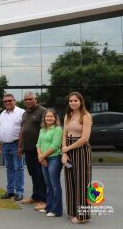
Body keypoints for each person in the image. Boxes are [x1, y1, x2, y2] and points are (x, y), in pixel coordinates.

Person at [61, 92, 92, 224]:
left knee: (82, 182)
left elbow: (85, 138)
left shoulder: (86, 116)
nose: (73, 103)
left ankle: (82, 216)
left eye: (75, 101)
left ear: (81, 102)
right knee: (70, 181)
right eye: (70, 101)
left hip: (81, 150)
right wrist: (64, 152)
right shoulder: (68, 115)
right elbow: (64, 134)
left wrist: (68, 148)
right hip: (68, 149)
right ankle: (73, 211)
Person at [20, 91, 47, 210]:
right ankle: (35, 196)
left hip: (39, 151)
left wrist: (43, 151)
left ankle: (43, 200)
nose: (28, 101)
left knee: (40, 175)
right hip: (28, 150)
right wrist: (20, 146)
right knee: (33, 174)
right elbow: (22, 130)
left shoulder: (43, 111)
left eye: (30, 99)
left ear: (36, 99)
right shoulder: (25, 113)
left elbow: (48, 129)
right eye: (26, 100)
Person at [0, 93, 25, 201]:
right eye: (5, 101)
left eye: (10, 100)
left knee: (18, 168)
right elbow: (0, 128)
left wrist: (21, 146)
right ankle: (10, 191)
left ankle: (19, 192)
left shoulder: (21, 112)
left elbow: (24, 129)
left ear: (14, 101)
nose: (8, 103)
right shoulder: (2, 113)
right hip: (5, 145)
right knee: (9, 168)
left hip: (17, 144)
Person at [36, 109, 63, 217]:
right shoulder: (42, 129)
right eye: (47, 116)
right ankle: (49, 207)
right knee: (48, 184)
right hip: (44, 159)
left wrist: (42, 156)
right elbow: (38, 144)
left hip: (54, 158)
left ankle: (56, 210)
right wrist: (41, 158)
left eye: (51, 116)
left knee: (55, 185)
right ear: (44, 118)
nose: (49, 118)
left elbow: (55, 145)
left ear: (55, 118)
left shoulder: (58, 129)